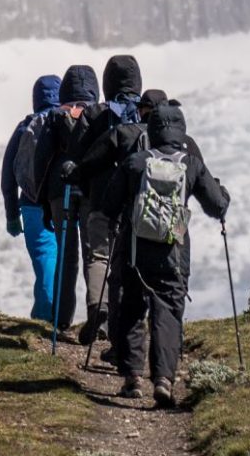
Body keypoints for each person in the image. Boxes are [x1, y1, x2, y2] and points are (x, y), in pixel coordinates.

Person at [108, 95, 229, 405]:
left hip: (136, 251)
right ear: (181, 129)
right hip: (174, 253)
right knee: (168, 312)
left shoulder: (136, 162)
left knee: (132, 307)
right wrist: (223, 193)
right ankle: (163, 379)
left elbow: (107, 204)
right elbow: (216, 206)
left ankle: (132, 377)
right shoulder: (191, 164)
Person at [55, 53, 146, 350]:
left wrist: (76, 176)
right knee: (133, 261)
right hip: (140, 201)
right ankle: (136, 322)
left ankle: (98, 309)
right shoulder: (149, 113)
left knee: (99, 256)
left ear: (106, 83)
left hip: (101, 198)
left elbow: (76, 156)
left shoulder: (95, 114)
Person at [37, 62, 101, 336]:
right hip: (91, 190)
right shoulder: (101, 114)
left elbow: (42, 160)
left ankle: (62, 319)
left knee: (66, 255)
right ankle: (99, 317)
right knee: (94, 253)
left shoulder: (55, 116)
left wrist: (42, 202)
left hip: (58, 191)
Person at [1, 73, 63, 321]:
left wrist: (12, 214)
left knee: (44, 257)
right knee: (63, 260)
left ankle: (46, 315)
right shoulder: (71, 121)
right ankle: (48, 314)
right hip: (67, 203)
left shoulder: (25, 126)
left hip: (32, 204)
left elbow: (9, 172)